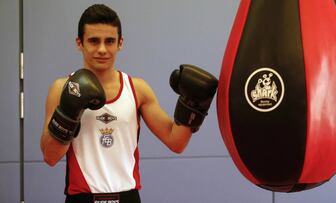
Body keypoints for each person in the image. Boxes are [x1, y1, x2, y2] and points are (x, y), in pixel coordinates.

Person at [40, 4, 218, 203]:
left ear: (120, 43)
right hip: (81, 198)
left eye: (109, 41)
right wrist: (69, 109)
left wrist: (193, 105)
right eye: (93, 41)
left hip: (127, 197)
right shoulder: (62, 88)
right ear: (79, 43)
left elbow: (176, 142)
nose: (102, 49)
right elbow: (50, 156)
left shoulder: (137, 89)